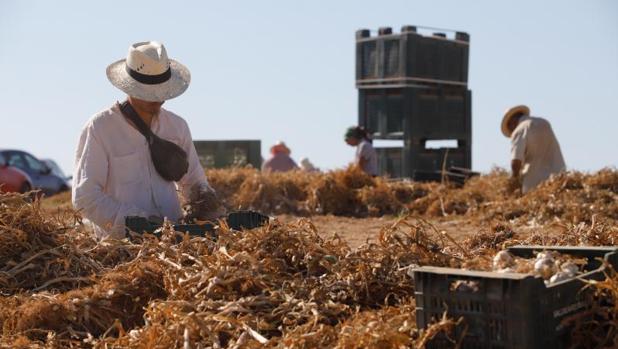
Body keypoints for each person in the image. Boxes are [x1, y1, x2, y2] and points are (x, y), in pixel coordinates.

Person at [72, 41, 224, 239]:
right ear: (129, 87)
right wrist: (139, 224)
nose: (156, 97)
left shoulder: (177, 127)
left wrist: (208, 207)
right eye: (148, 90)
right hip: (122, 248)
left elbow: (194, 182)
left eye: (160, 90)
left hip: (175, 243)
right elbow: (86, 197)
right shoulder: (101, 128)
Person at [501, 105, 566, 194]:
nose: (512, 131)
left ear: (512, 122)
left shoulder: (519, 130)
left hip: (535, 184)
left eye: (510, 128)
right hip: (559, 180)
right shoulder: (544, 122)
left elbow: (516, 161)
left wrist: (514, 181)